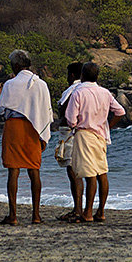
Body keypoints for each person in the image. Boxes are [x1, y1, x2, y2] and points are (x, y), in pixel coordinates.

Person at [0, 49, 54, 225]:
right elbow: (46, 112)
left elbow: (0, 110)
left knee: (13, 170)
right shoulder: (41, 84)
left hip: (14, 128)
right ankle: (36, 216)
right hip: (34, 128)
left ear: (17, 66)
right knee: (34, 170)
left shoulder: (10, 84)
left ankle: (13, 216)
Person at [63, 61, 125, 223]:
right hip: (101, 135)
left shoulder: (78, 93)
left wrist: (76, 124)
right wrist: (108, 126)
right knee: (102, 173)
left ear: (82, 76)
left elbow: (70, 120)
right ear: (97, 76)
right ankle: (100, 211)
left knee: (89, 175)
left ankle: (87, 213)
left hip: (85, 134)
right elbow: (120, 111)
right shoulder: (105, 93)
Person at [55, 62, 85, 221]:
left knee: (73, 171)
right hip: (81, 132)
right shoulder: (86, 89)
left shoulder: (73, 90)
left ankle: (78, 209)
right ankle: (80, 209)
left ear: (72, 75)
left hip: (70, 132)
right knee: (80, 171)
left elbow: (65, 111)